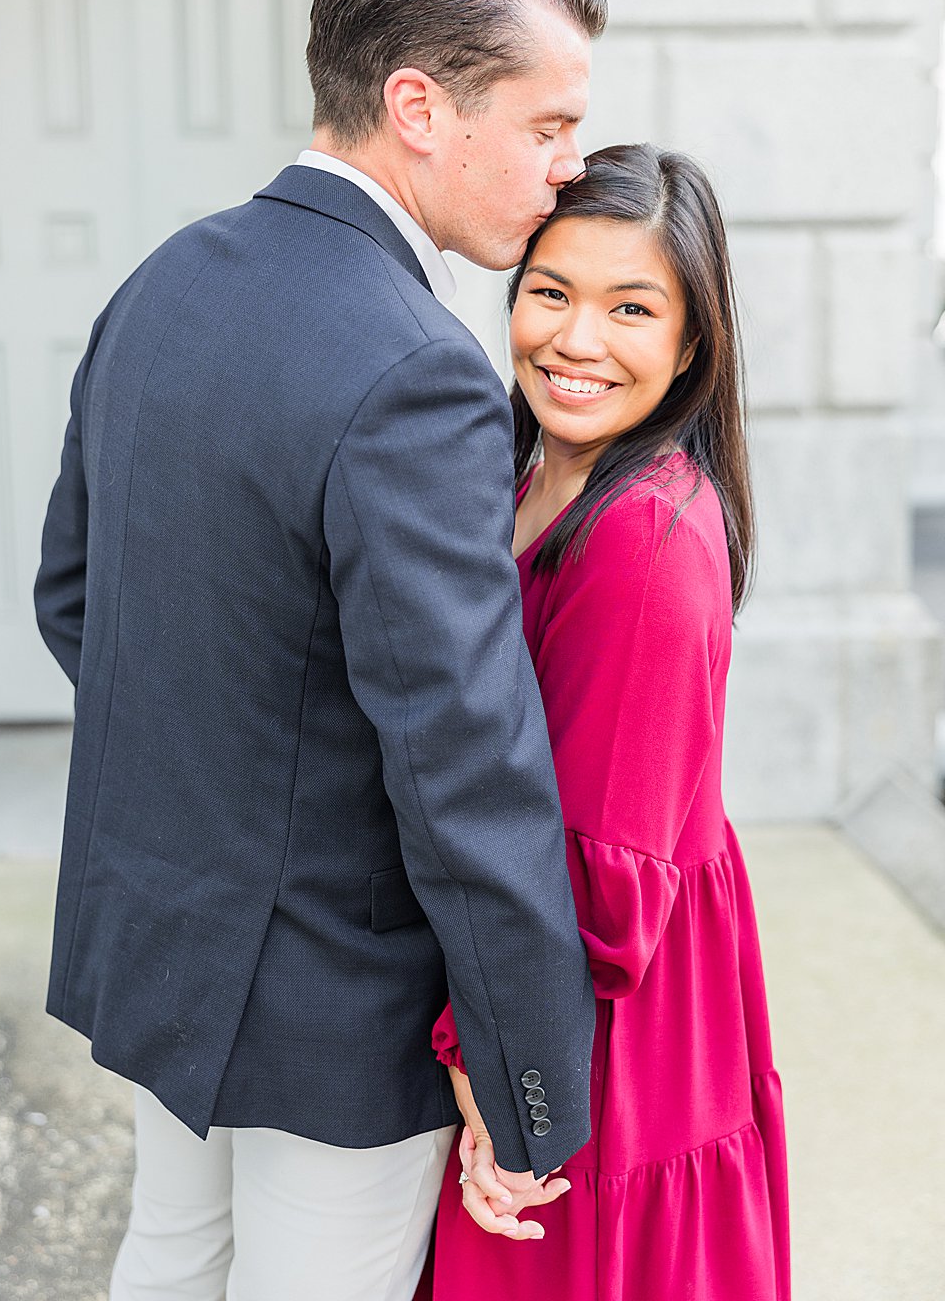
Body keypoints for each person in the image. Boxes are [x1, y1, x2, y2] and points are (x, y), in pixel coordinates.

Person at [32, 0, 603, 1301]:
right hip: (336, 992)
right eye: (547, 124)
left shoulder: (157, 286)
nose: (567, 166)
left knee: (169, 1261)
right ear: (419, 106)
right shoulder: (419, 368)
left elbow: (72, 600)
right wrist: (531, 1081)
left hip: (162, 941)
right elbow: (463, 759)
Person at [422, 144, 788, 1299]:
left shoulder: (644, 536)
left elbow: (600, 883)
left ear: (689, 343)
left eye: (629, 308)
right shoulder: (519, 469)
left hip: (596, 1010)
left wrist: (493, 1068)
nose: (574, 341)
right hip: (536, 968)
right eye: (549, 293)